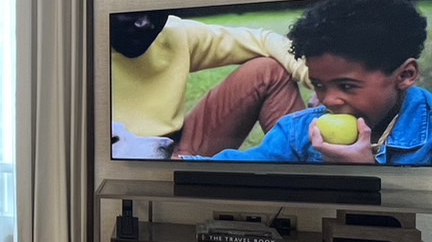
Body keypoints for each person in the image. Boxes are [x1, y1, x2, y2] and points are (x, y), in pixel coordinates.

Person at [198, 0, 432, 166]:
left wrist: (364, 172)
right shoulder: (298, 131)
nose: (328, 100)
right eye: (319, 85)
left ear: (405, 75)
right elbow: (244, 166)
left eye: (346, 86)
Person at [110, 10, 310, 158]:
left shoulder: (173, 34)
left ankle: (307, 172)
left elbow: (262, 40)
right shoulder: (90, 46)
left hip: (176, 148)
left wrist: (315, 79)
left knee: (268, 71)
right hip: (121, 163)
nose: (145, 24)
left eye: (154, 13)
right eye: (130, 14)